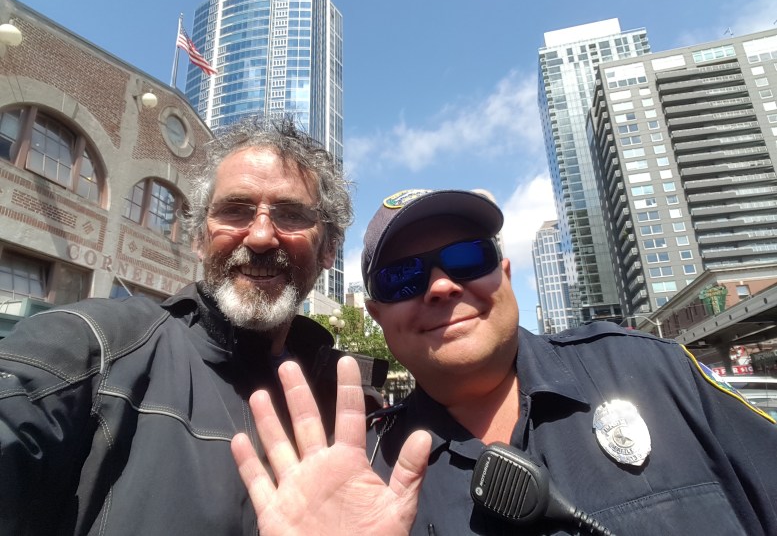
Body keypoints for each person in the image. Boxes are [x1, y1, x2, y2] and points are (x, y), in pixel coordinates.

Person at [233, 188, 777, 536]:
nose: (442, 286)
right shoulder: (366, 473)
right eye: (403, 277)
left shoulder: (657, 372)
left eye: (468, 257)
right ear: (377, 316)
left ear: (506, 274)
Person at [0, 117, 385, 535]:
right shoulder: (95, 348)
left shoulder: (347, 405)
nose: (260, 236)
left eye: (291, 215)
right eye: (235, 210)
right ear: (200, 238)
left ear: (329, 249)